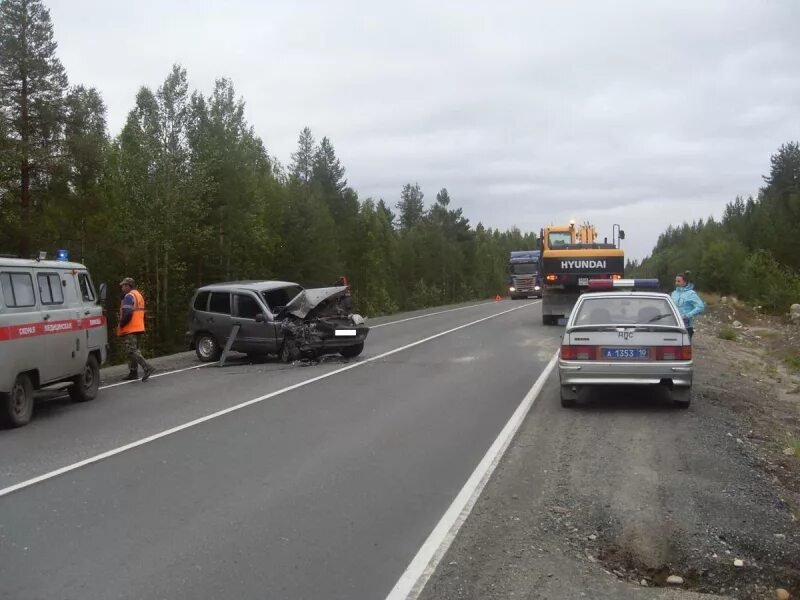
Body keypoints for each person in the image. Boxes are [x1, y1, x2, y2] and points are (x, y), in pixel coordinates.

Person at [117, 277, 155, 381]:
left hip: (131, 328)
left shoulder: (129, 296)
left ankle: (147, 367)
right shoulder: (138, 295)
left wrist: (122, 323)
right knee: (133, 350)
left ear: (128, 286)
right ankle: (133, 372)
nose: (122, 287)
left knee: (132, 351)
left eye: (123, 285)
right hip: (139, 327)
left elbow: (128, 312)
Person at [672, 271, 704, 342]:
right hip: (674, 325)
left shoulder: (691, 294)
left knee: (684, 349)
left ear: (685, 282)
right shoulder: (674, 293)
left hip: (686, 326)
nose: (676, 283)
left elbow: (700, 307)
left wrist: (687, 315)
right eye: (676, 281)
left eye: (679, 281)